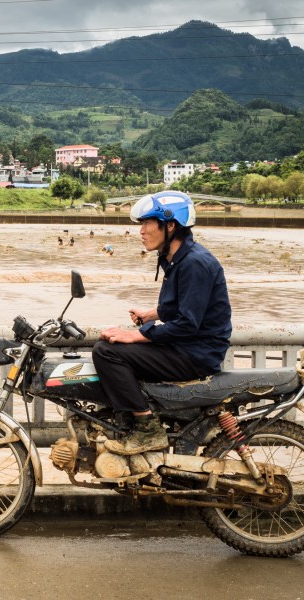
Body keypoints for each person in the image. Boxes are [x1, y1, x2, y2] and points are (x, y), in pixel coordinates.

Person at [92, 191, 232, 455]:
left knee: (107, 352)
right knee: (110, 344)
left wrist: (135, 336)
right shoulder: (177, 259)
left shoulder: (194, 263)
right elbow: (179, 307)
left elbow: (188, 324)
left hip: (195, 354)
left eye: (147, 224)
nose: (141, 231)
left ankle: (147, 428)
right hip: (187, 347)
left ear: (170, 226)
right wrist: (150, 315)